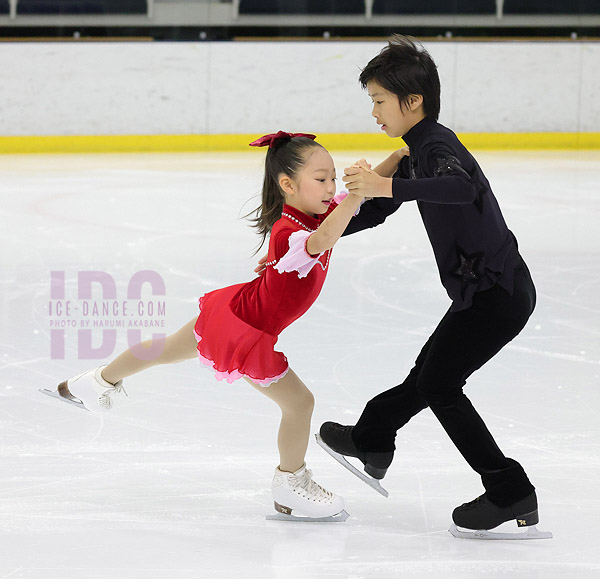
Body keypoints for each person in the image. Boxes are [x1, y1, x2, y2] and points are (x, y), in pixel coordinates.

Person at [44, 131, 365, 522]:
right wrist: (357, 194)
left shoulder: (313, 213)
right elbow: (328, 235)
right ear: (288, 185)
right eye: (322, 179)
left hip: (235, 309)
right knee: (299, 404)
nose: (332, 187)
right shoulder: (294, 231)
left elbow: (338, 216)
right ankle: (290, 485)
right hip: (246, 330)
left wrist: (389, 168)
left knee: (163, 349)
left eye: (334, 178)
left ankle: (93, 382)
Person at [317, 35, 543, 534]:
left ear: (412, 101)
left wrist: (386, 183)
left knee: (439, 383)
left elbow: (460, 186)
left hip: (498, 295)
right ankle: (373, 435)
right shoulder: (415, 153)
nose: (374, 111)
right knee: (429, 375)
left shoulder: (437, 145)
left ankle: (510, 490)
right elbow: (375, 211)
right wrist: (315, 229)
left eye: (379, 101)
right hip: (482, 293)